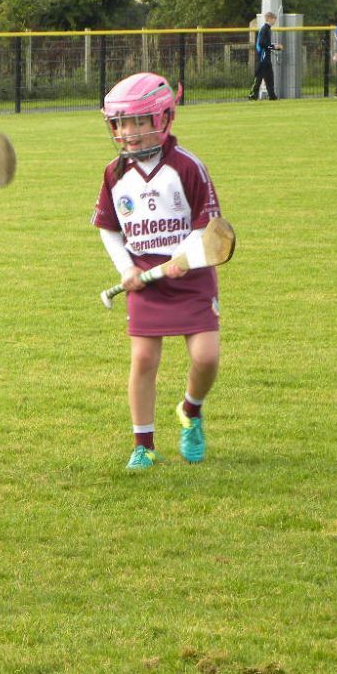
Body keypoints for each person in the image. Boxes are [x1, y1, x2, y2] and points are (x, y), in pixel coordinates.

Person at [91, 72, 224, 471]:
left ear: (164, 118)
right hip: (146, 277)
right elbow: (109, 229)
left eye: (137, 122)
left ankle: (191, 410)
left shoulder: (188, 167)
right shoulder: (115, 173)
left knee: (206, 357)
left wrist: (182, 257)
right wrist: (127, 268)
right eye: (120, 123)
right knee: (144, 359)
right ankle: (143, 444)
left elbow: (208, 225)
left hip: (191, 273)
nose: (127, 133)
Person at [248, 11, 283, 101]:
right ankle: (253, 95)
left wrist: (274, 46)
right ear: (269, 19)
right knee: (259, 77)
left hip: (266, 57)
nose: (274, 21)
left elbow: (266, 44)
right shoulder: (264, 29)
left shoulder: (268, 29)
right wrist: (274, 47)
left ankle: (272, 96)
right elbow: (262, 44)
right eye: (274, 19)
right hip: (262, 57)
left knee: (269, 77)